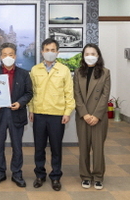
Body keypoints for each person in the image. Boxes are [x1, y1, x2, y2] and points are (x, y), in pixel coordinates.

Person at [28, 38, 75, 191]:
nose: (49, 53)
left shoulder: (64, 70)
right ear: (42, 52)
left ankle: (55, 176)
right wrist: (31, 110)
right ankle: (40, 175)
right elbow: (32, 92)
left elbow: (69, 93)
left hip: (57, 114)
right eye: (47, 50)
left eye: (52, 50)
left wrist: (67, 112)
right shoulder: (35, 70)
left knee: (56, 148)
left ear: (57, 52)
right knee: (39, 147)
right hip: (39, 114)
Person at [0, 43, 33, 187]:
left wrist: (20, 103)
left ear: (15, 55)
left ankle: (17, 173)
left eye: (11, 54)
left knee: (17, 146)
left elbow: (28, 93)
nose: (8, 57)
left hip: (17, 114)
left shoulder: (24, 73)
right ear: (0, 56)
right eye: (5, 55)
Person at [73, 44, 110, 190]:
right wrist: (85, 114)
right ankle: (86, 176)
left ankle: (98, 176)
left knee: (98, 148)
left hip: (99, 117)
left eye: (93, 53)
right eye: (87, 53)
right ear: (83, 56)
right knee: (83, 148)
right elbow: (77, 94)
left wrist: (96, 115)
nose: (90, 56)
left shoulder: (105, 73)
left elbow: (104, 95)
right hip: (83, 116)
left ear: (98, 55)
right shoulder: (78, 72)